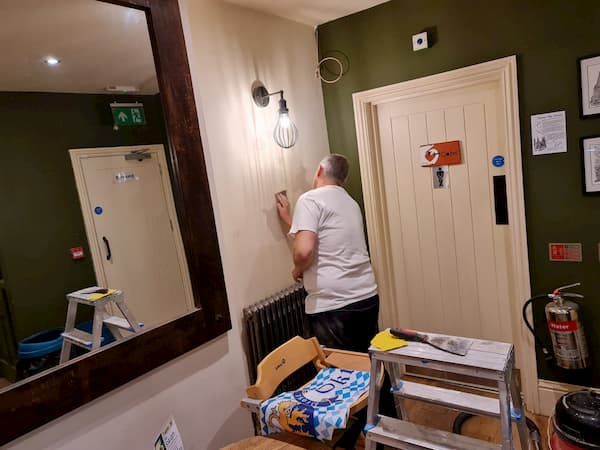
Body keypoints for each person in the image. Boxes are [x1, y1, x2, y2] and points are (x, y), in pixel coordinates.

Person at [275, 153, 379, 353]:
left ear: (320, 170)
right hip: (366, 297)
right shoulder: (350, 203)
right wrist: (291, 220)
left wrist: (297, 270)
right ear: (343, 179)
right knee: (367, 364)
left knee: (339, 373)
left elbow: (305, 251)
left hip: (334, 304)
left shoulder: (309, 200)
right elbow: (322, 236)